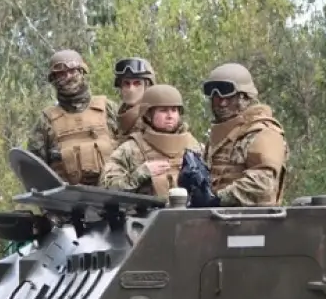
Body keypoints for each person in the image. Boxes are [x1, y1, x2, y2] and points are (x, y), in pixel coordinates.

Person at [198, 62, 289, 206]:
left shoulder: (263, 132)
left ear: (245, 98)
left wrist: (217, 199)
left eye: (229, 97)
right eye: (216, 98)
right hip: (219, 221)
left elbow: (263, 184)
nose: (222, 103)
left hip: (254, 223)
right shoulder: (221, 135)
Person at [27, 49, 119, 186]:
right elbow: (35, 170)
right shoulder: (46, 120)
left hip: (112, 198)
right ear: (53, 79)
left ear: (82, 72)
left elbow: (129, 152)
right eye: (61, 74)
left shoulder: (108, 108)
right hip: (67, 203)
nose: (68, 77)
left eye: (73, 71)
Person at [99, 84, 202, 197]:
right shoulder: (131, 149)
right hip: (146, 213)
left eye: (174, 110)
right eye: (163, 110)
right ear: (148, 114)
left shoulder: (193, 146)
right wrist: (139, 175)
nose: (170, 116)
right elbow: (106, 187)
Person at [112, 57, 156, 142]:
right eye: (126, 83)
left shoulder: (155, 120)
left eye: (137, 83)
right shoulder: (116, 118)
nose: (131, 89)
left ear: (147, 86)